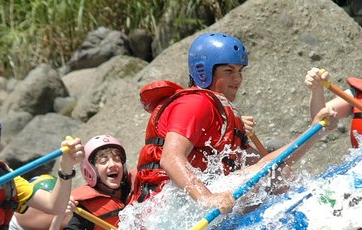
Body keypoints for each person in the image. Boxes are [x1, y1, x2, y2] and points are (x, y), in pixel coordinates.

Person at [130, 32, 338, 212]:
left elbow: (269, 164)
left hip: (186, 201)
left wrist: (315, 132)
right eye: (229, 71)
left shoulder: (222, 114)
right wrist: (206, 197)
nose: (237, 79)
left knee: (280, 172)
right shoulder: (195, 103)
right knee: (271, 176)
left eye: (240, 71)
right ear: (203, 72)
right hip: (165, 205)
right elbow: (170, 158)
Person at [58, 134, 132, 230]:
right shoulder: (85, 211)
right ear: (90, 170)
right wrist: (58, 216)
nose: (112, 164)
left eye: (117, 159)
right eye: (103, 161)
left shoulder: (136, 187)